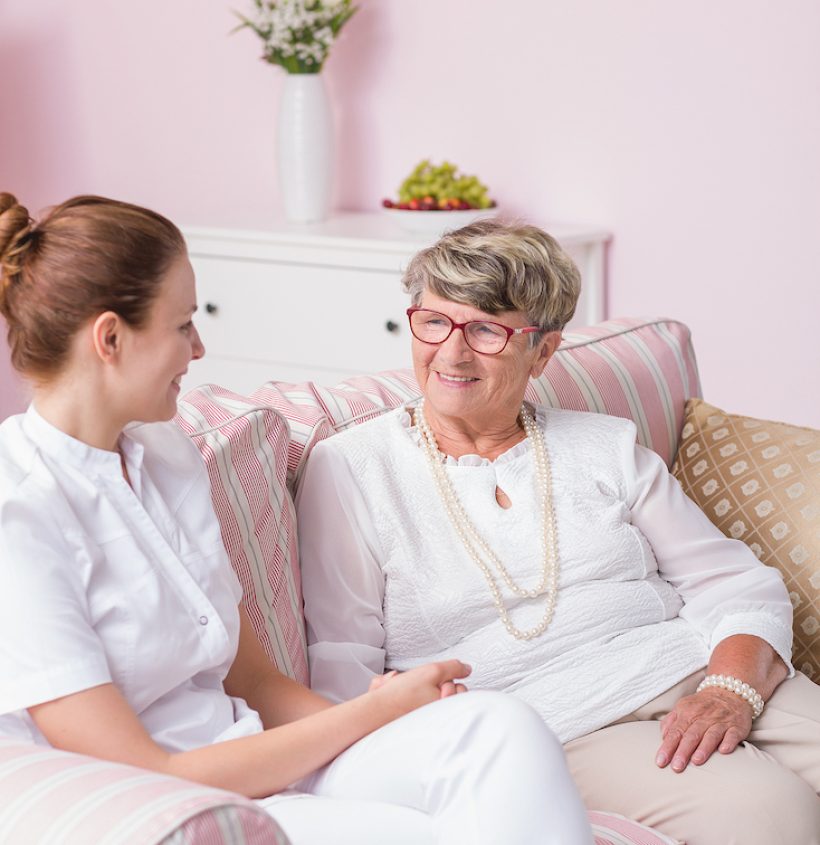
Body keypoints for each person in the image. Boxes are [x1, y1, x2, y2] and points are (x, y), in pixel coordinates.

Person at [0, 194, 594, 845]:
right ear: (110, 338)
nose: (198, 348)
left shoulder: (163, 455)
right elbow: (149, 772)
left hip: (261, 760)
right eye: (182, 325)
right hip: (176, 808)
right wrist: (373, 711)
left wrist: (386, 719)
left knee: (501, 729)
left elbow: (255, 679)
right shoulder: (20, 515)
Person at [296, 218, 820, 845]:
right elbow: (344, 664)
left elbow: (735, 584)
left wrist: (731, 690)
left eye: (488, 330)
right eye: (434, 321)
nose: (452, 353)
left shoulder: (605, 446)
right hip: (555, 722)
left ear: (542, 351)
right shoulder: (353, 467)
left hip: (696, 668)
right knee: (769, 812)